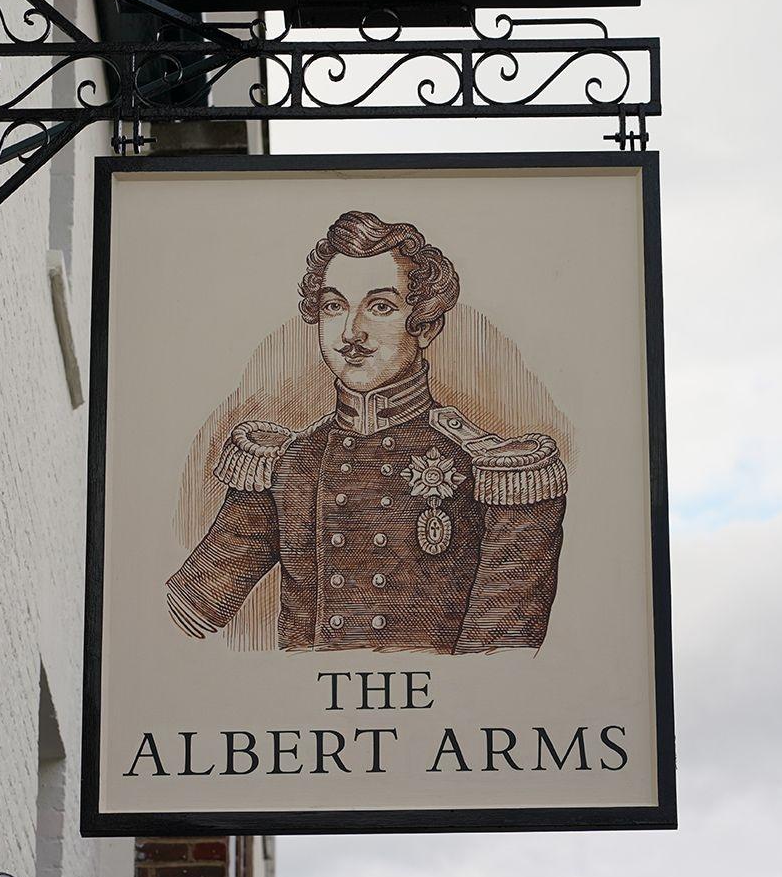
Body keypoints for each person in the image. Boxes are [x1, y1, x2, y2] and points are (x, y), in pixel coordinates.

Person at [164, 211, 566, 653]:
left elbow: (503, 670)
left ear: (427, 325)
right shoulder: (288, 462)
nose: (351, 333)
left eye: (380, 307)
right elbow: (183, 617)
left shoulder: (501, 475)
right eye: (335, 306)